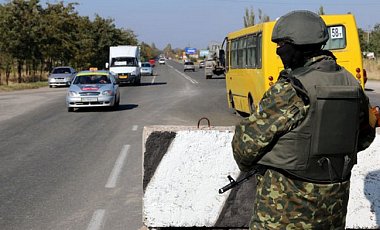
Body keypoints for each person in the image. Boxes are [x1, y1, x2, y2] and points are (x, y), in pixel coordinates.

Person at [231, 10, 378, 229]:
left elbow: (244, 148)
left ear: (296, 45)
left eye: (281, 44)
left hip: (284, 209)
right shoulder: (351, 82)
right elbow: (364, 137)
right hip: (333, 207)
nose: (279, 50)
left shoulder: (291, 89)